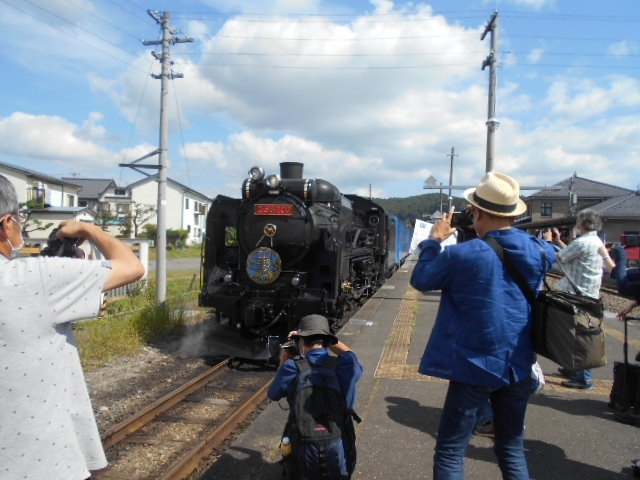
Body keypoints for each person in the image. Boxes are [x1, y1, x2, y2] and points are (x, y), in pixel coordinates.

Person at [410, 171, 557, 480]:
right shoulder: (540, 250)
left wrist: (433, 241)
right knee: (511, 448)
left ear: (476, 211)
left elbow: (421, 280)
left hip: (475, 363)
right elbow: (553, 255)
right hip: (519, 364)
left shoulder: (461, 254)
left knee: (451, 450)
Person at [0, 174, 146, 480]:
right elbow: (132, 266)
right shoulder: (36, 276)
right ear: (7, 224)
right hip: (41, 464)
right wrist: (87, 228)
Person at [267, 314, 363, 480]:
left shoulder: (292, 367)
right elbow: (348, 353)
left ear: (301, 342)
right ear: (327, 341)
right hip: (339, 442)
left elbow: (273, 394)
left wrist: (283, 360)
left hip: (303, 447)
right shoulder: (346, 364)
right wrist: (327, 336)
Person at [551, 210, 608, 389]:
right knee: (580, 332)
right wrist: (558, 241)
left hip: (576, 294)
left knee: (578, 335)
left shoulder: (582, 242)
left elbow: (560, 258)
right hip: (588, 293)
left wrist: (546, 244)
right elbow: (569, 254)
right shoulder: (596, 240)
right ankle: (575, 370)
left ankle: (584, 377)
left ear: (581, 224)